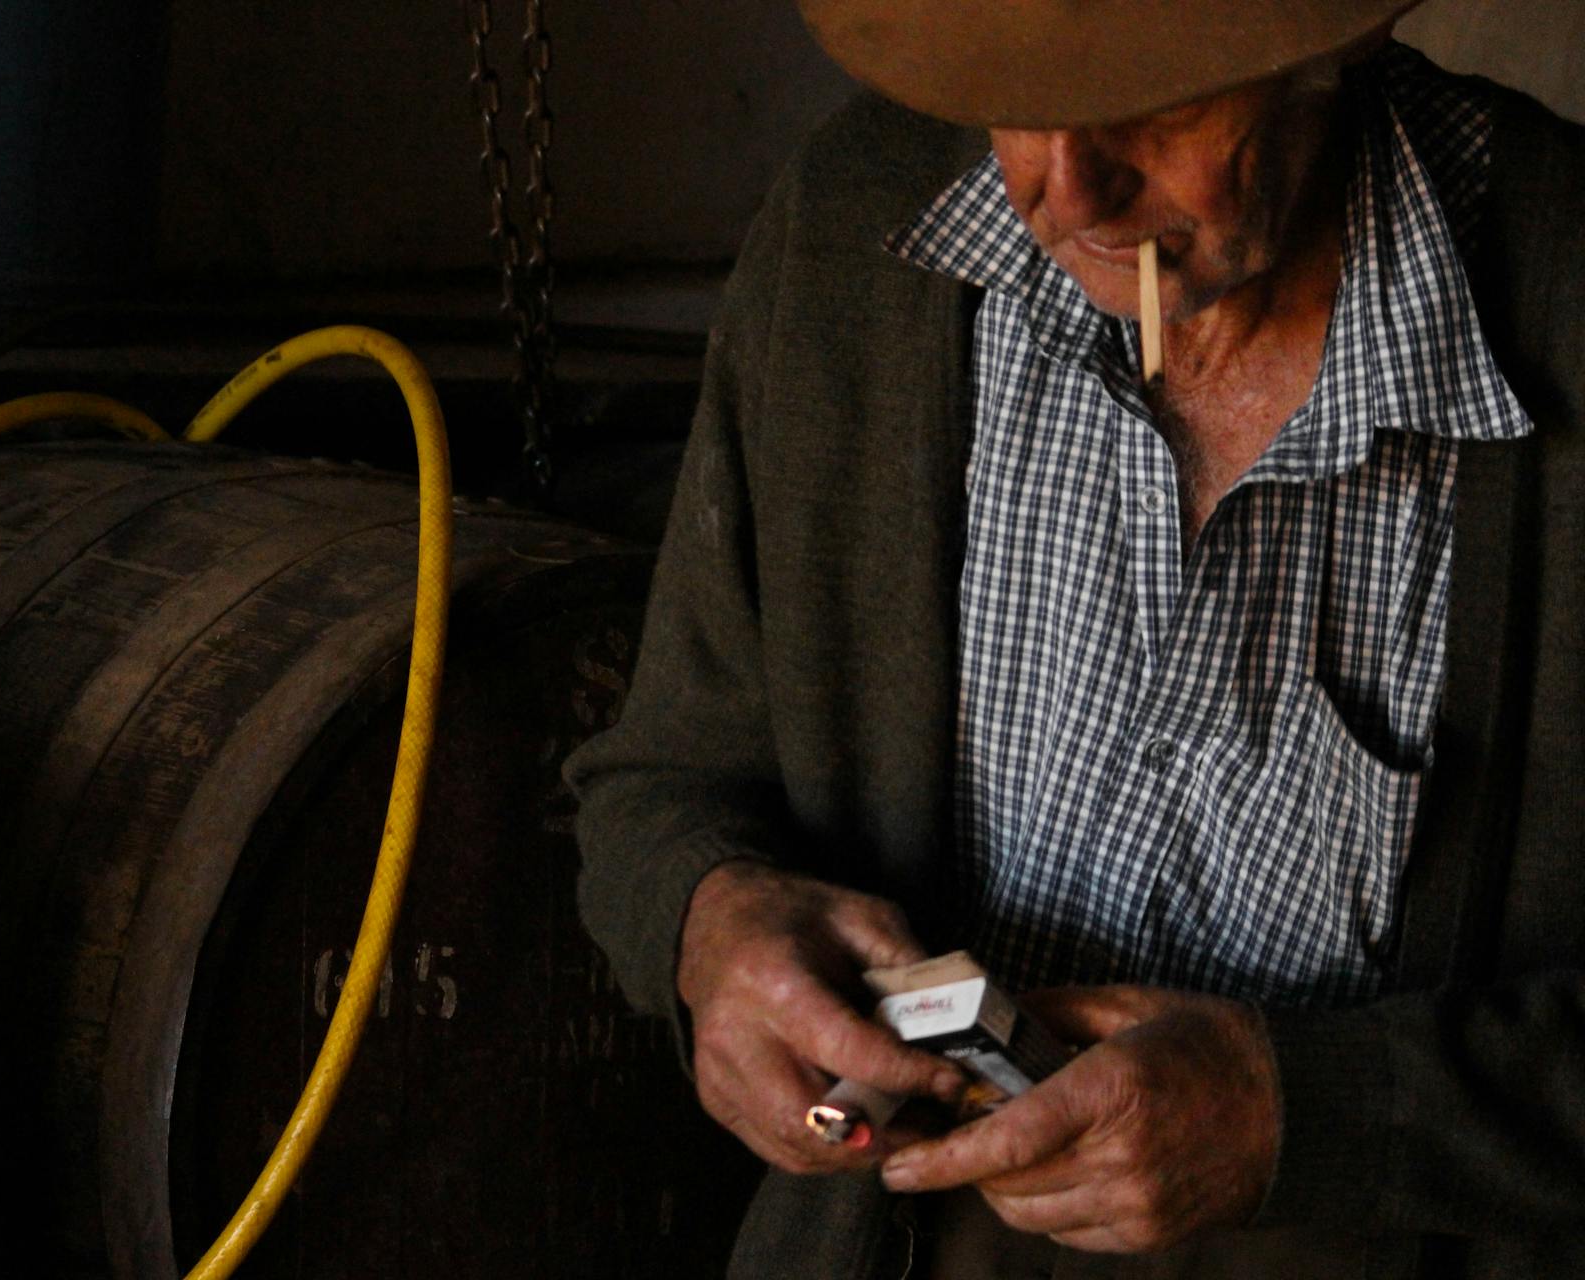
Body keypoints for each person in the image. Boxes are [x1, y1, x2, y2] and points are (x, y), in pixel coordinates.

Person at [565, 1, 1585, 1277]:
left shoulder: (1563, 297)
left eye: (1156, 108)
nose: (1068, 190)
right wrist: (711, 921)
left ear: (1332, 46)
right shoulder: (854, 233)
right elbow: (661, 784)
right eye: (1012, 103)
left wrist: (1307, 1113)